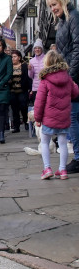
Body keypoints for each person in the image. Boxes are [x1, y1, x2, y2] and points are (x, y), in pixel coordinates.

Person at [46, 0, 79, 173]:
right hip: (69, 74)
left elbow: (77, 48)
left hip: (74, 76)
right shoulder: (62, 22)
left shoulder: (73, 17)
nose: (53, 8)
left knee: (71, 117)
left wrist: (71, 77)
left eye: (54, 4)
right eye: (50, 6)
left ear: (62, 1)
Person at [34, 50, 79, 180]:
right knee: (63, 143)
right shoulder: (67, 78)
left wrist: (37, 118)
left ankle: (47, 168)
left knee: (45, 142)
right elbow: (75, 93)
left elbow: (39, 101)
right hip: (64, 116)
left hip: (49, 117)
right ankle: (62, 170)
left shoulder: (45, 80)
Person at [9, 49, 31, 133]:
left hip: (22, 90)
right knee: (14, 109)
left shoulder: (24, 66)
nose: (13, 58)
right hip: (13, 90)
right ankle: (16, 126)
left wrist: (30, 88)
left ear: (19, 57)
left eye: (15, 57)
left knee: (23, 106)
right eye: (12, 57)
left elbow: (28, 78)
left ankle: (26, 121)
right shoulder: (9, 66)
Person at [28, 39, 45, 106]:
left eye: (39, 48)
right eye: (35, 48)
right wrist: (30, 70)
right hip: (36, 88)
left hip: (45, 87)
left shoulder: (46, 58)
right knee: (38, 106)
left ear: (41, 49)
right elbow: (31, 76)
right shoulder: (32, 61)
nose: (37, 50)